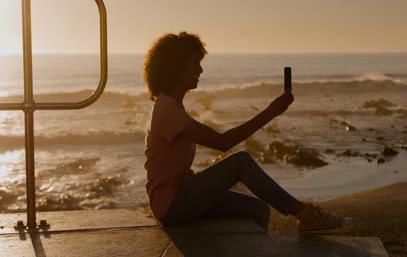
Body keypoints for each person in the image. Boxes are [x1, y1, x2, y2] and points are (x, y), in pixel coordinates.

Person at [143, 31, 352, 234]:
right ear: (176, 66)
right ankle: (305, 214)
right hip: (171, 205)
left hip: (182, 196)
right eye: (195, 63)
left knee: (258, 210)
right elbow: (223, 142)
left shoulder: (172, 107)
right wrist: (271, 112)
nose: (200, 70)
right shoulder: (167, 110)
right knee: (240, 162)